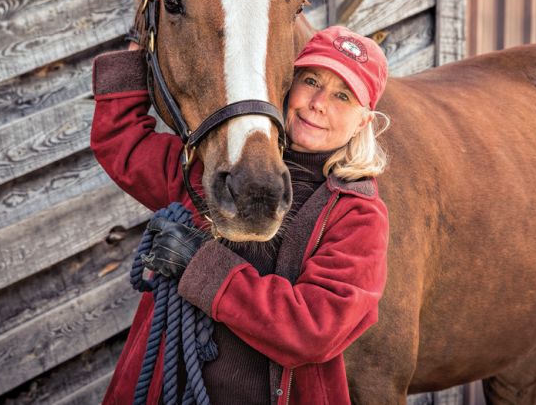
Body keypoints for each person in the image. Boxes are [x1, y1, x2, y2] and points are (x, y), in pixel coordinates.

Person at [90, 25, 390, 405]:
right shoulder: (220, 169)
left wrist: (202, 268)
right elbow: (123, 143)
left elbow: (315, 328)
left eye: (342, 95)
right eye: (311, 80)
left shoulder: (358, 216)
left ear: (364, 121)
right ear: (286, 84)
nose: (317, 102)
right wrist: (138, 48)